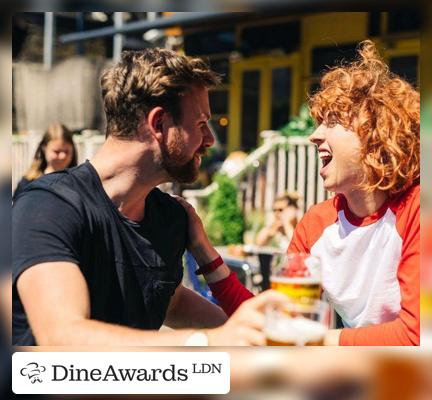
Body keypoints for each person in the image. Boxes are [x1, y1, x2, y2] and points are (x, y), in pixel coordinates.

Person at [12, 48, 286, 346]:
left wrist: (262, 335)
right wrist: (209, 341)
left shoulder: (170, 217)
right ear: (158, 124)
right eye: (201, 124)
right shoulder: (48, 205)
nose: (209, 140)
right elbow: (62, 337)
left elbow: (170, 300)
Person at [186, 40, 420, 346]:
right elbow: (276, 321)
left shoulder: (417, 210)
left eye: (332, 122)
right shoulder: (316, 223)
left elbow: (418, 334)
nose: (314, 136)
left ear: (376, 134)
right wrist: (205, 251)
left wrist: (316, 341)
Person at [13, 122, 77, 201]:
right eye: (56, 151)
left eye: (66, 151)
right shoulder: (28, 183)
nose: (62, 156)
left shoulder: (77, 183)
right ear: (44, 148)